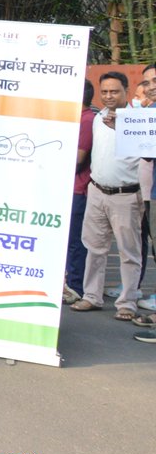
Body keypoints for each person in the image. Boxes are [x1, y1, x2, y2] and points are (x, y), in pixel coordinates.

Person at [72, 72, 142, 322]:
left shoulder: (139, 120)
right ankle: (91, 296)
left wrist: (123, 127)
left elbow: (148, 152)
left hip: (126, 195)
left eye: (114, 91)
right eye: (105, 92)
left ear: (126, 90)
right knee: (94, 248)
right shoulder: (97, 118)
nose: (109, 96)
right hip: (97, 191)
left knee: (128, 252)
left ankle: (127, 302)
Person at [63, 80, 95, 305]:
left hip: (78, 189)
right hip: (67, 188)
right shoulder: (74, 119)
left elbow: (78, 160)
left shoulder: (86, 120)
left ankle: (76, 286)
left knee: (76, 241)